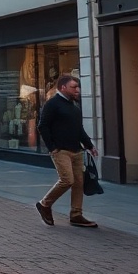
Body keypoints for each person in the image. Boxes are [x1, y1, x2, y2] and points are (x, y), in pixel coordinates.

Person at [35, 75, 100, 228]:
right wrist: (52, 147)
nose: (77, 90)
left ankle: (76, 214)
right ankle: (45, 204)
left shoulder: (74, 107)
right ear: (63, 88)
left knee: (79, 183)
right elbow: (42, 126)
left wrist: (90, 146)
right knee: (67, 180)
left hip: (77, 150)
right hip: (61, 151)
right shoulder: (52, 104)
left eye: (77, 87)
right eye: (73, 87)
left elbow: (79, 129)